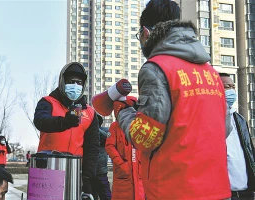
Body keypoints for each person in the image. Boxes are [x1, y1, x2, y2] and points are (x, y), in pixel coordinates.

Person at [112, 0, 231, 199]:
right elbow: (225, 129)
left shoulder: (156, 68)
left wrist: (124, 112)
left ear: (146, 32)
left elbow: (146, 138)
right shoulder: (212, 74)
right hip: (218, 190)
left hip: (174, 189)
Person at [34, 62, 100, 197]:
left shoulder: (90, 113)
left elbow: (92, 148)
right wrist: (63, 122)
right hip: (47, 169)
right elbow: (40, 121)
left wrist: (87, 179)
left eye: (79, 83)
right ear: (63, 82)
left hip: (74, 172)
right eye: (71, 82)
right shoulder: (47, 102)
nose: (75, 86)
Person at [219, 73, 255, 200]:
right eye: (227, 87)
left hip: (246, 192)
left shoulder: (240, 119)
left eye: (233, 86)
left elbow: (249, 153)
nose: (232, 91)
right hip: (222, 193)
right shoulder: (207, 117)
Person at [106, 96, 145, 200]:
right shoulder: (115, 126)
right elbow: (109, 146)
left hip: (139, 174)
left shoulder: (141, 125)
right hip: (123, 175)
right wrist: (121, 164)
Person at [91, 115, 112, 200]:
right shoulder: (88, 133)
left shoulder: (104, 131)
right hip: (90, 171)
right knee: (92, 195)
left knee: (106, 195)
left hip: (101, 171)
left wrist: (94, 128)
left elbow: (107, 138)